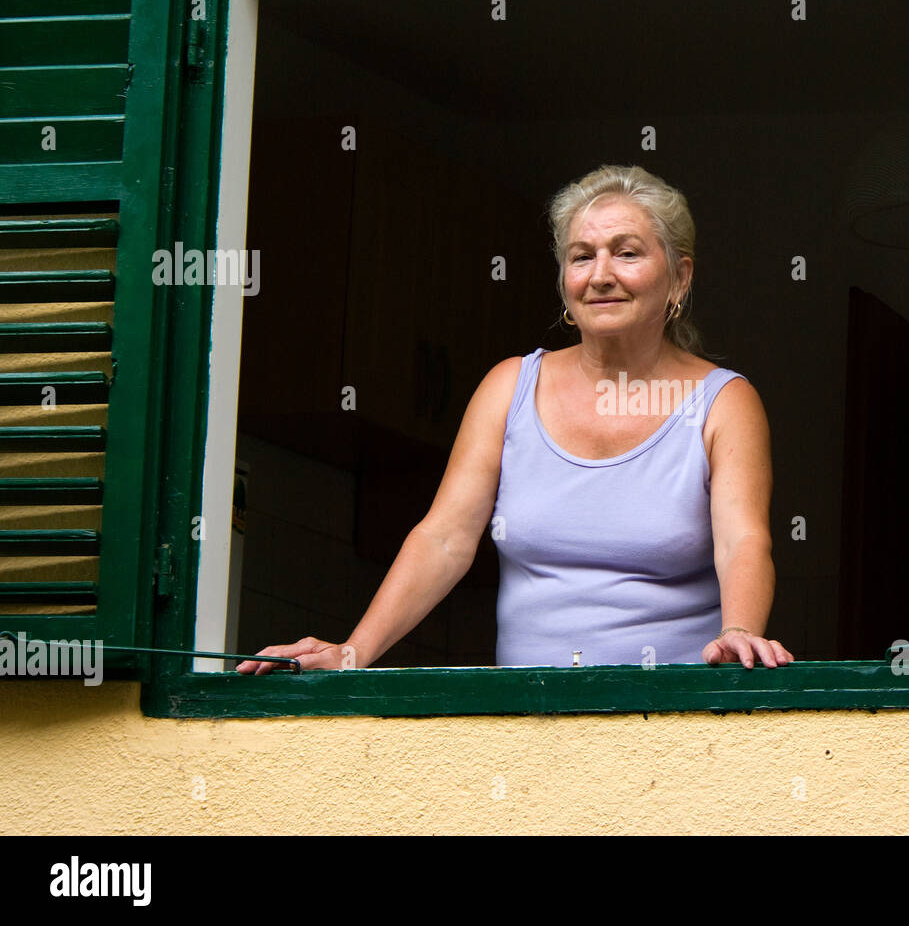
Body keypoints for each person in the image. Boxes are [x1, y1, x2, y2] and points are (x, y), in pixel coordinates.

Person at [237, 164, 792, 674]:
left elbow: (741, 541)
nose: (600, 275)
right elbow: (446, 538)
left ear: (679, 277)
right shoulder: (510, 386)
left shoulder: (722, 402)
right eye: (581, 256)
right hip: (524, 725)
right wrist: (352, 653)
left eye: (626, 253)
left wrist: (738, 632)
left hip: (673, 718)